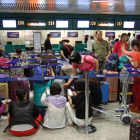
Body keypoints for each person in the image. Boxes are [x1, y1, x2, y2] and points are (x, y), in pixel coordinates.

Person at [127, 40, 140, 113]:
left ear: (135, 46)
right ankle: (135, 105)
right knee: (134, 91)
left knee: (137, 92)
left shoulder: (136, 53)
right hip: (138, 75)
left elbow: (135, 65)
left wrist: (131, 61)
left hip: (137, 76)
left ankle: (138, 107)